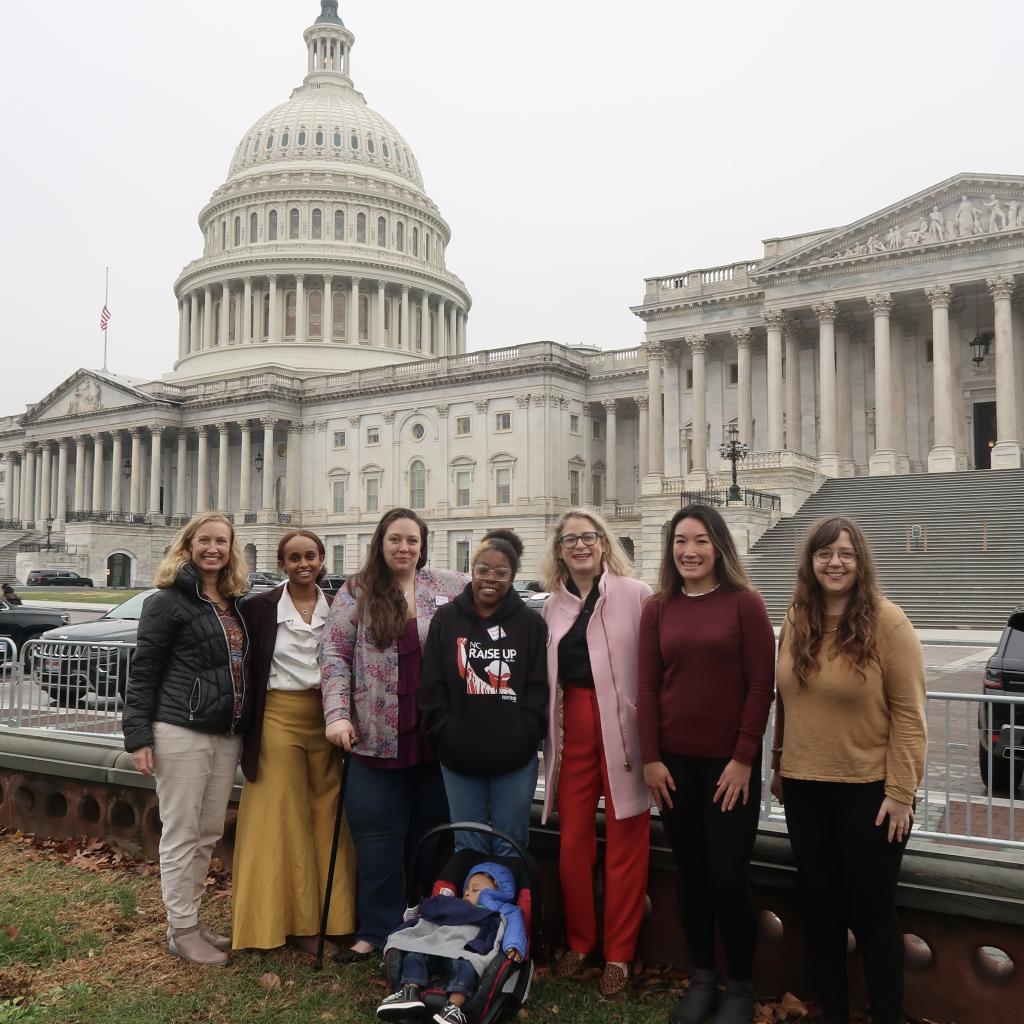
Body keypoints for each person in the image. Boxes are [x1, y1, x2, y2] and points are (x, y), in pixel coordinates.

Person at [770, 517, 926, 1024]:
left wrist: (901, 791)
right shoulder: (796, 618)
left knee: (873, 913)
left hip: (870, 792)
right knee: (820, 908)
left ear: (860, 562)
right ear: (810, 562)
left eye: (845, 554)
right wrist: (778, 762)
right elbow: (785, 700)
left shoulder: (888, 622)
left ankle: (886, 1014)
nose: (834, 563)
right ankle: (832, 1011)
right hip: (804, 787)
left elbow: (910, 713)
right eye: (824, 554)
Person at [637, 503, 775, 1024]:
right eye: (679, 542)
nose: (688, 551)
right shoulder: (659, 608)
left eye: (699, 541)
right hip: (674, 766)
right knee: (691, 875)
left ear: (719, 546)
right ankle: (701, 978)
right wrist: (650, 759)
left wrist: (743, 759)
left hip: (728, 770)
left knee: (727, 878)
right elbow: (646, 686)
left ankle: (739, 986)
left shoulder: (745, 604)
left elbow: (762, 687)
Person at [319, 508, 465, 962]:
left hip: (433, 737)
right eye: (396, 540)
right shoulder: (357, 591)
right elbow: (335, 654)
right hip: (375, 735)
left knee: (427, 833)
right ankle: (376, 930)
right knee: (379, 836)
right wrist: (337, 715)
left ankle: (419, 921)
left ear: (423, 547)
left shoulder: (447, 587)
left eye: (413, 541)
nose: (404, 548)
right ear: (381, 543)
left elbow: (494, 599)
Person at [122, 512, 254, 967]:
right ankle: (180, 930)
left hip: (225, 732)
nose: (213, 548)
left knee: (208, 832)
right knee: (181, 833)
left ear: (231, 548)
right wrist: (138, 735)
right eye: (205, 540)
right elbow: (144, 670)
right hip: (180, 729)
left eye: (222, 541)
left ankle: (192, 920)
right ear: (189, 545)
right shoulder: (167, 601)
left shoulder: (233, 601)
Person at [539, 508, 652, 998]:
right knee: (573, 842)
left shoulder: (635, 595)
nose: (580, 546)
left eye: (589, 538)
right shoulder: (552, 606)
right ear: (559, 551)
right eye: (570, 540)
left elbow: (654, 664)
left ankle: (619, 954)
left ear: (605, 544)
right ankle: (581, 941)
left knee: (628, 837)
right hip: (573, 727)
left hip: (623, 730)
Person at [232, 530, 356, 953]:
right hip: (277, 718)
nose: (303, 564)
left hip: (327, 718)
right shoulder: (258, 608)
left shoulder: (341, 606)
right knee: (280, 821)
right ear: (282, 564)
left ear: (322, 560)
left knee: (327, 817)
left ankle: (334, 919)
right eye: (293, 557)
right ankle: (278, 924)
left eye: (310, 556)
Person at [418, 529, 549, 857]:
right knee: (467, 845)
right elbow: (432, 684)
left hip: (515, 759)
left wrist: (526, 733)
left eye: (501, 573)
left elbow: (538, 686)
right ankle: (470, 910)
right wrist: (443, 732)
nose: (491, 579)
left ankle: (508, 909)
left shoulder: (530, 624)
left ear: (513, 577)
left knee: (511, 844)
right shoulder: (446, 619)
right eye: (483, 571)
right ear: (472, 572)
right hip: (458, 757)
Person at [377, 862, 527, 1024]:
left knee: (468, 967)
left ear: (498, 892)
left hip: (466, 950)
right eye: (467, 889)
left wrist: (513, 945)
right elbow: (430, 917)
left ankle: (453, 1008)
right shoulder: (453, 904)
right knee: (413, 956)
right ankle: (410, 992)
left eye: (475, 890)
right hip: (435, 946)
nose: (468, 893)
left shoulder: (503, 909)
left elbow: (515, 927)